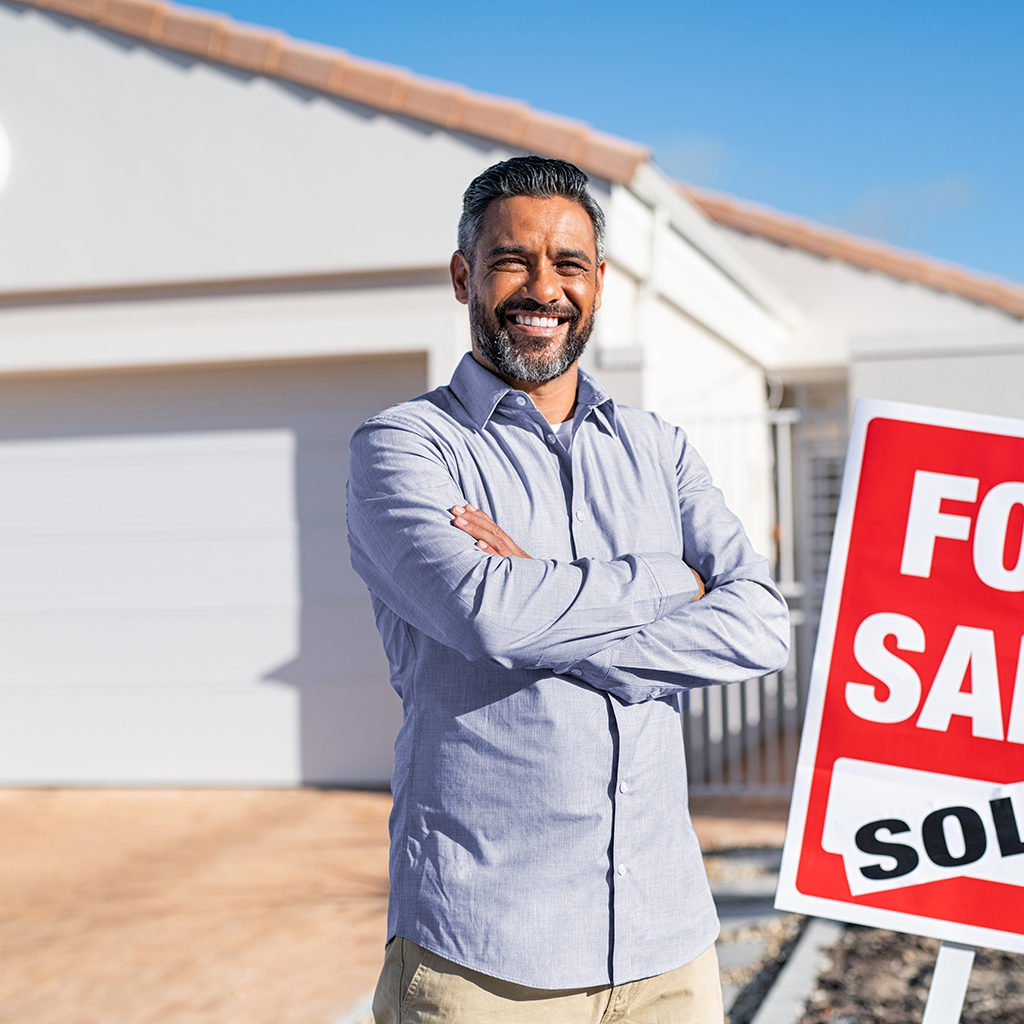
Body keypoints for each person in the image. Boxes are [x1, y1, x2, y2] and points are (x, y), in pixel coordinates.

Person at [347, 155, 790, 1023]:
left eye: (570, 264)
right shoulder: (403, 448)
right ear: (463, 275)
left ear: (597, 286)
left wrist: (543, 598)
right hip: (488, 965)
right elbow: (489, 617)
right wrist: (673, 581)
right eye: (513, 260)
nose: (542, 287)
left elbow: (762, 624)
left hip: (670, 953)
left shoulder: (657, 449)